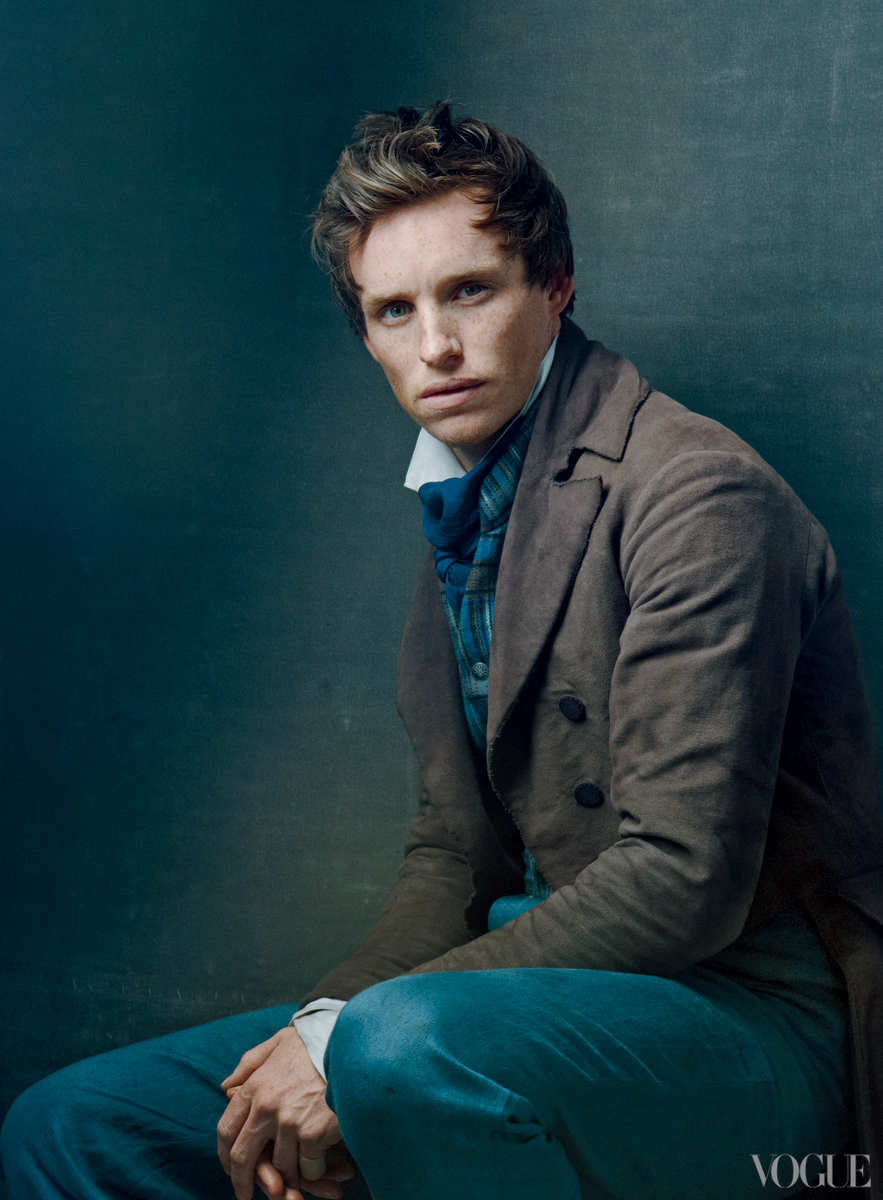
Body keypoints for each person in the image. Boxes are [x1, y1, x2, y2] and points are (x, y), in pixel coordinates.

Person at [4, 101, 883, 1200]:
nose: (435, 346)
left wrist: (347, 1046)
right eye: (393, 310)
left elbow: (681, 880)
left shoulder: (696, 493)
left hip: (748, 1019)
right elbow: (454, 860)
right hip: (504, 997)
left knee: (400, 1049)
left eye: (469, 290)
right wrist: (321, 1028)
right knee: (80, 1123)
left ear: (554, 284)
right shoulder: (465, 497)